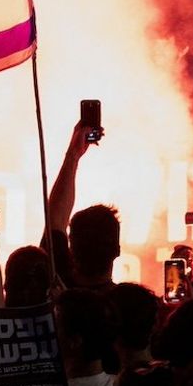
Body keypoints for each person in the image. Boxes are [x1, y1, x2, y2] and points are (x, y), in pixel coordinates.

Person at [43, 120, 120, 293]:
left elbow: (56, 219)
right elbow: (56, 221)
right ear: (117, 250)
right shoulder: (129, 301)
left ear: (71, 249)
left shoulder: (58, 287)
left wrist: (73, 154)